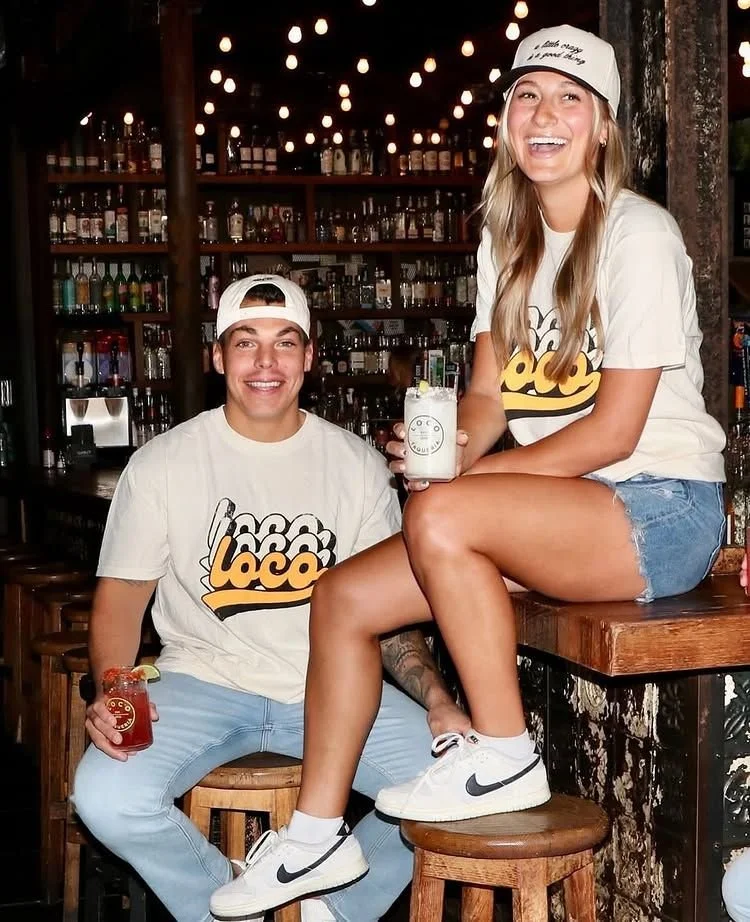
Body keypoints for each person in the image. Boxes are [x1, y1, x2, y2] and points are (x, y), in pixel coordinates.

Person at [211, 23, 727, 919]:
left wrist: (467, 489)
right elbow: (491, 398)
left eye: (570, 99)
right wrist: (448, 444)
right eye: (527, 96)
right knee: (341, 599)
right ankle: (314, 838)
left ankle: (503, 755)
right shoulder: (508, 240)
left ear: (602, 127)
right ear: (504, 123)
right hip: (558, 503)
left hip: (659, 508)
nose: (545, 114)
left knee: (445, 517)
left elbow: (614, 430)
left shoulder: (638, 234)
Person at [71, 274, 468, 922]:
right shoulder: (165, 462)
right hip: (201, 681)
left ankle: (330, 911)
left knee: (461, 791)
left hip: (335, 693)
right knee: (106, 797)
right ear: (218, 356)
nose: (265, 363)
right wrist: (115, 692)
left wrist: (439, 701)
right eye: (246, 342)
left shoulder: (355, 465)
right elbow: (120, 603)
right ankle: (228, 903)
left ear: (309, 358)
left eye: (285, 343)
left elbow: (389, 620)